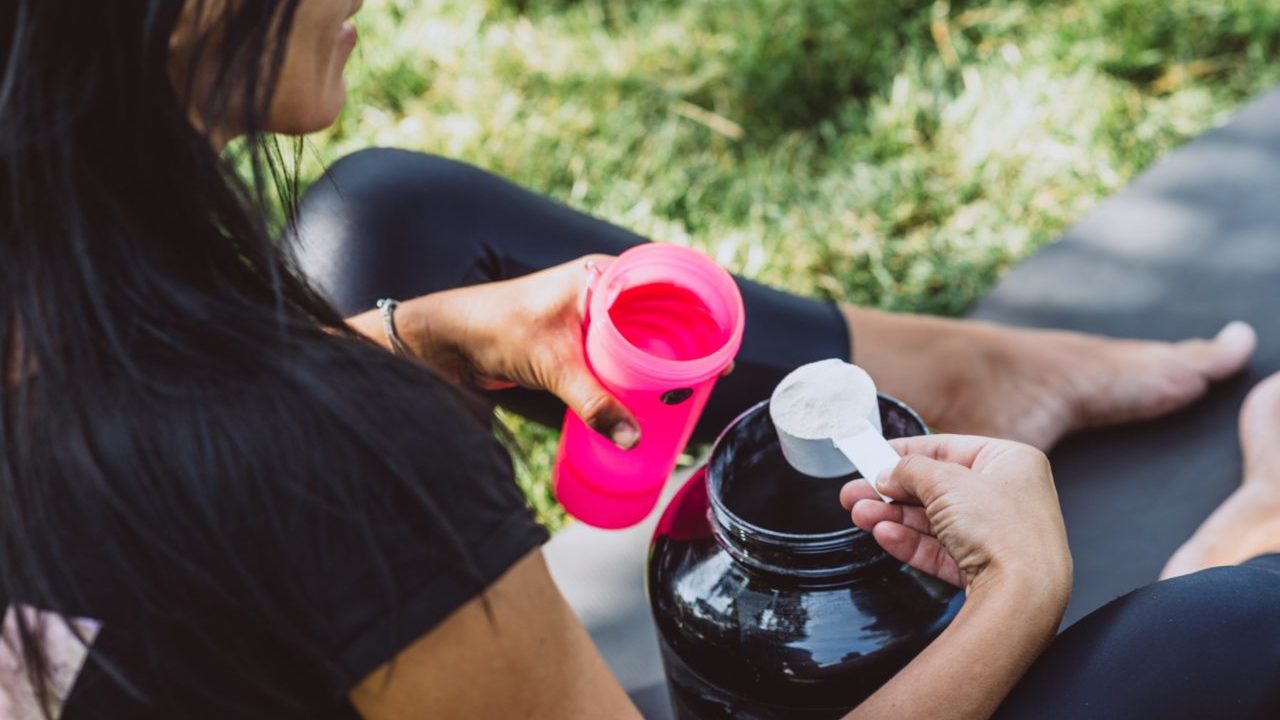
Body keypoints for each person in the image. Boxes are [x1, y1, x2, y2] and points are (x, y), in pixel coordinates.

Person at [1, 1, 1274, 718]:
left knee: (385, 225)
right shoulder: (317, 454)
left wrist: (412, 340)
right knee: (1222, 635)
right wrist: (1018, 591)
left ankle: (980, 371)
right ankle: (1240, 539)